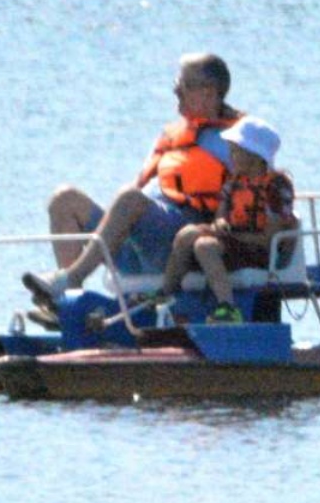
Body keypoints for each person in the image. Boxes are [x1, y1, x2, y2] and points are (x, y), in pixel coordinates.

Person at [23, 52, 241, 310]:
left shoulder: (237, 140)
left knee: (130, 198)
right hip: (138, 237)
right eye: (176, 84)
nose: (176, 91)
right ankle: (67, 307)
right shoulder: (173, 136)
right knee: (64, 200)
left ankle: (71, 278)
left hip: (179, 242)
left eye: (184, 85)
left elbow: (251, 195)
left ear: (209, 92)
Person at [152, 116, 296, 323]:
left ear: (255, 156)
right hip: (237, 243)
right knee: (187, 234)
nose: (231, 156)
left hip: (263, 252)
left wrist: (228, 235)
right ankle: (165, 293)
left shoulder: (276, 187)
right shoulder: (234, 182)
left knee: (205, 246)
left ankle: (228, 308)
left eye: (236, 151)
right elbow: (221, 216)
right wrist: (219, 225)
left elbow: (268, 239)